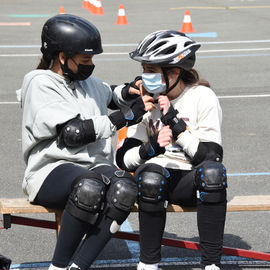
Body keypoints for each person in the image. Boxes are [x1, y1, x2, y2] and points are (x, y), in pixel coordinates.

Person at [17, 14, 155, 270]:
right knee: (89, 188)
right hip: (51, 169)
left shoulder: (85, 81)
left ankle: (78, 266)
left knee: (125, 188)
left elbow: (110, 94)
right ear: (61, 56)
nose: (90, 64)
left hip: (91, 167)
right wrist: (127, 116)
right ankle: (57, 266)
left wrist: (131, 89)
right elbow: (72, 133)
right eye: (85, 60)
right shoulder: (39, 82)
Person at [116, 30, 227, 270]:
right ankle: (148, 264)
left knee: (213, 174)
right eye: (145, 69)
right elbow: (123, 159)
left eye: (152, 71)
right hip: (156, 179)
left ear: (175, 72)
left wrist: (175, 123)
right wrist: (151, 148)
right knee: (151, 177)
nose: (145, 77)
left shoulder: (202, 97)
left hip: (189, 179)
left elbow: (210, 156)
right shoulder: (149, 101)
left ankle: (211, 265)